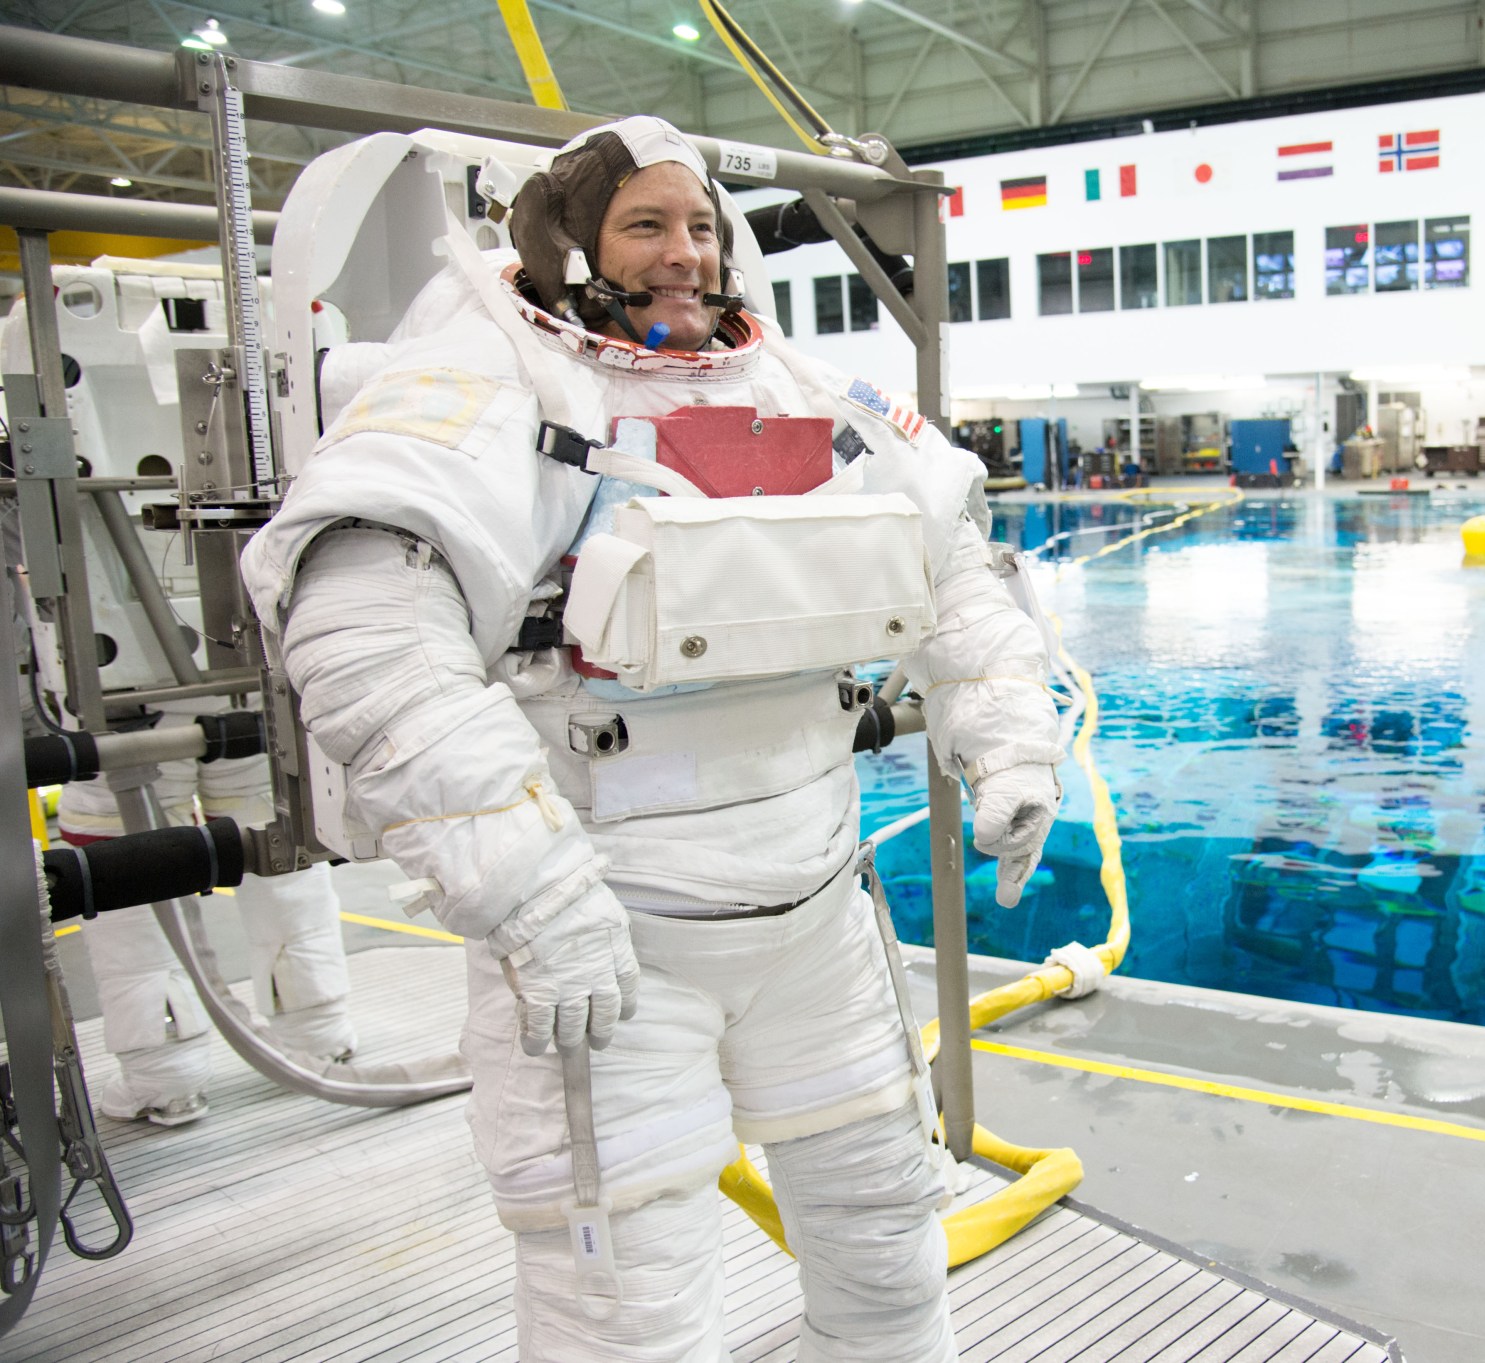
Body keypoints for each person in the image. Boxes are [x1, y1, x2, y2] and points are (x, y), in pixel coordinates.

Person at [240, 116, 1062, 1362]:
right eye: (645, 225)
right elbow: (367, 639)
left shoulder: (791, 388)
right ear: (567, 242)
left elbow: (945, 557)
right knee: (627, 1301)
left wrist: (1007, 741)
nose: (682, 253)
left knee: (887, 1235)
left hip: (816, 917)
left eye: (698, 227)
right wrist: (533, 895)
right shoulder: (492, 380)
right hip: (611, 936)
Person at [56, 742, 358, 1126]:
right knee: (272, 817)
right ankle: (319, 1034)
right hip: (246, 691)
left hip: (119, 705)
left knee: (120, 842)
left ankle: (166, 1075)